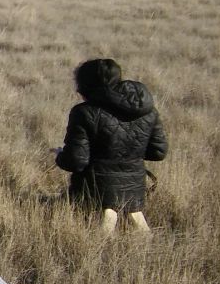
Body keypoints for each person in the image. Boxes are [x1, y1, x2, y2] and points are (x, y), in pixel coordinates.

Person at [55, 58, 168, 232]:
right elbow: (158, 152)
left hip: (96, 189)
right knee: (144, 237)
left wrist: (60, 155)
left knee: (100, 241)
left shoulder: (84, 112)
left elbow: (76, 161)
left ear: (85, 85)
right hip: (134, 187)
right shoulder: (148, 110)